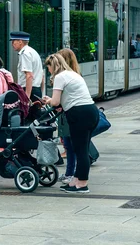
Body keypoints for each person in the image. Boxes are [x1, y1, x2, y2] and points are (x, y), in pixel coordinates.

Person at [42, 54, 99, 194]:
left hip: (79, 115)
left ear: (53, 66)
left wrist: (48, 100)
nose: (48, 71)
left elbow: (55, 102)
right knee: (81, 148)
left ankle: (82, 184)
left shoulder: (60, 77)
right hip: (90, 111)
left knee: (80, 150)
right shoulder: (73, 74)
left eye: (48, 67)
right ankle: (76, 180)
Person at [56, 48, 80, 187]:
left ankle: (72, 174)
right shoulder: (75, 74)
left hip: (68, 115)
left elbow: (59, 100)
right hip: (69, 114)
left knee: (70, 146)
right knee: (69, 145)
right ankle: (70, 172)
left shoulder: (64, 76)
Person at [10, 31, 43, 100]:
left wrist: (26, 97)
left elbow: (29, 75)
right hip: (36, 89)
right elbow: (42, 76)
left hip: (29, 90)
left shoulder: (25, 54)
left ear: (20, 41)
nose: (12, 44)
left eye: (13, 41)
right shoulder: (33, 52)